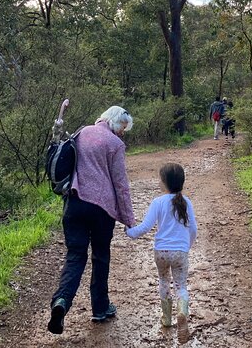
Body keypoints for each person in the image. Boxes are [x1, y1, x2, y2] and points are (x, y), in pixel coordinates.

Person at [47, 106, 136, 335]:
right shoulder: (115, 145)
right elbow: (120, 184)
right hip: (101, 210)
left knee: (75, 256)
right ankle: (100, 307)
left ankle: (61, 302)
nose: (123, 133)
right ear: (116, 123)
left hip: (74, 204)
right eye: (123, 128)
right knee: (100, 256)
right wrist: (128, 219)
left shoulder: (82, 132)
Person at [125, 163, 197, 344]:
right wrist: (187, 246)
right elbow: (193, 229)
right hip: (180, 251)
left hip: (161, 252)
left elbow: (146, 227)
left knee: (164, 281)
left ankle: (166, 319)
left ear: (164, 183)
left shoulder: (158, 202)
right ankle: (182, 312)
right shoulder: (187, 202)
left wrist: (130, 232)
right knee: (181, 285)